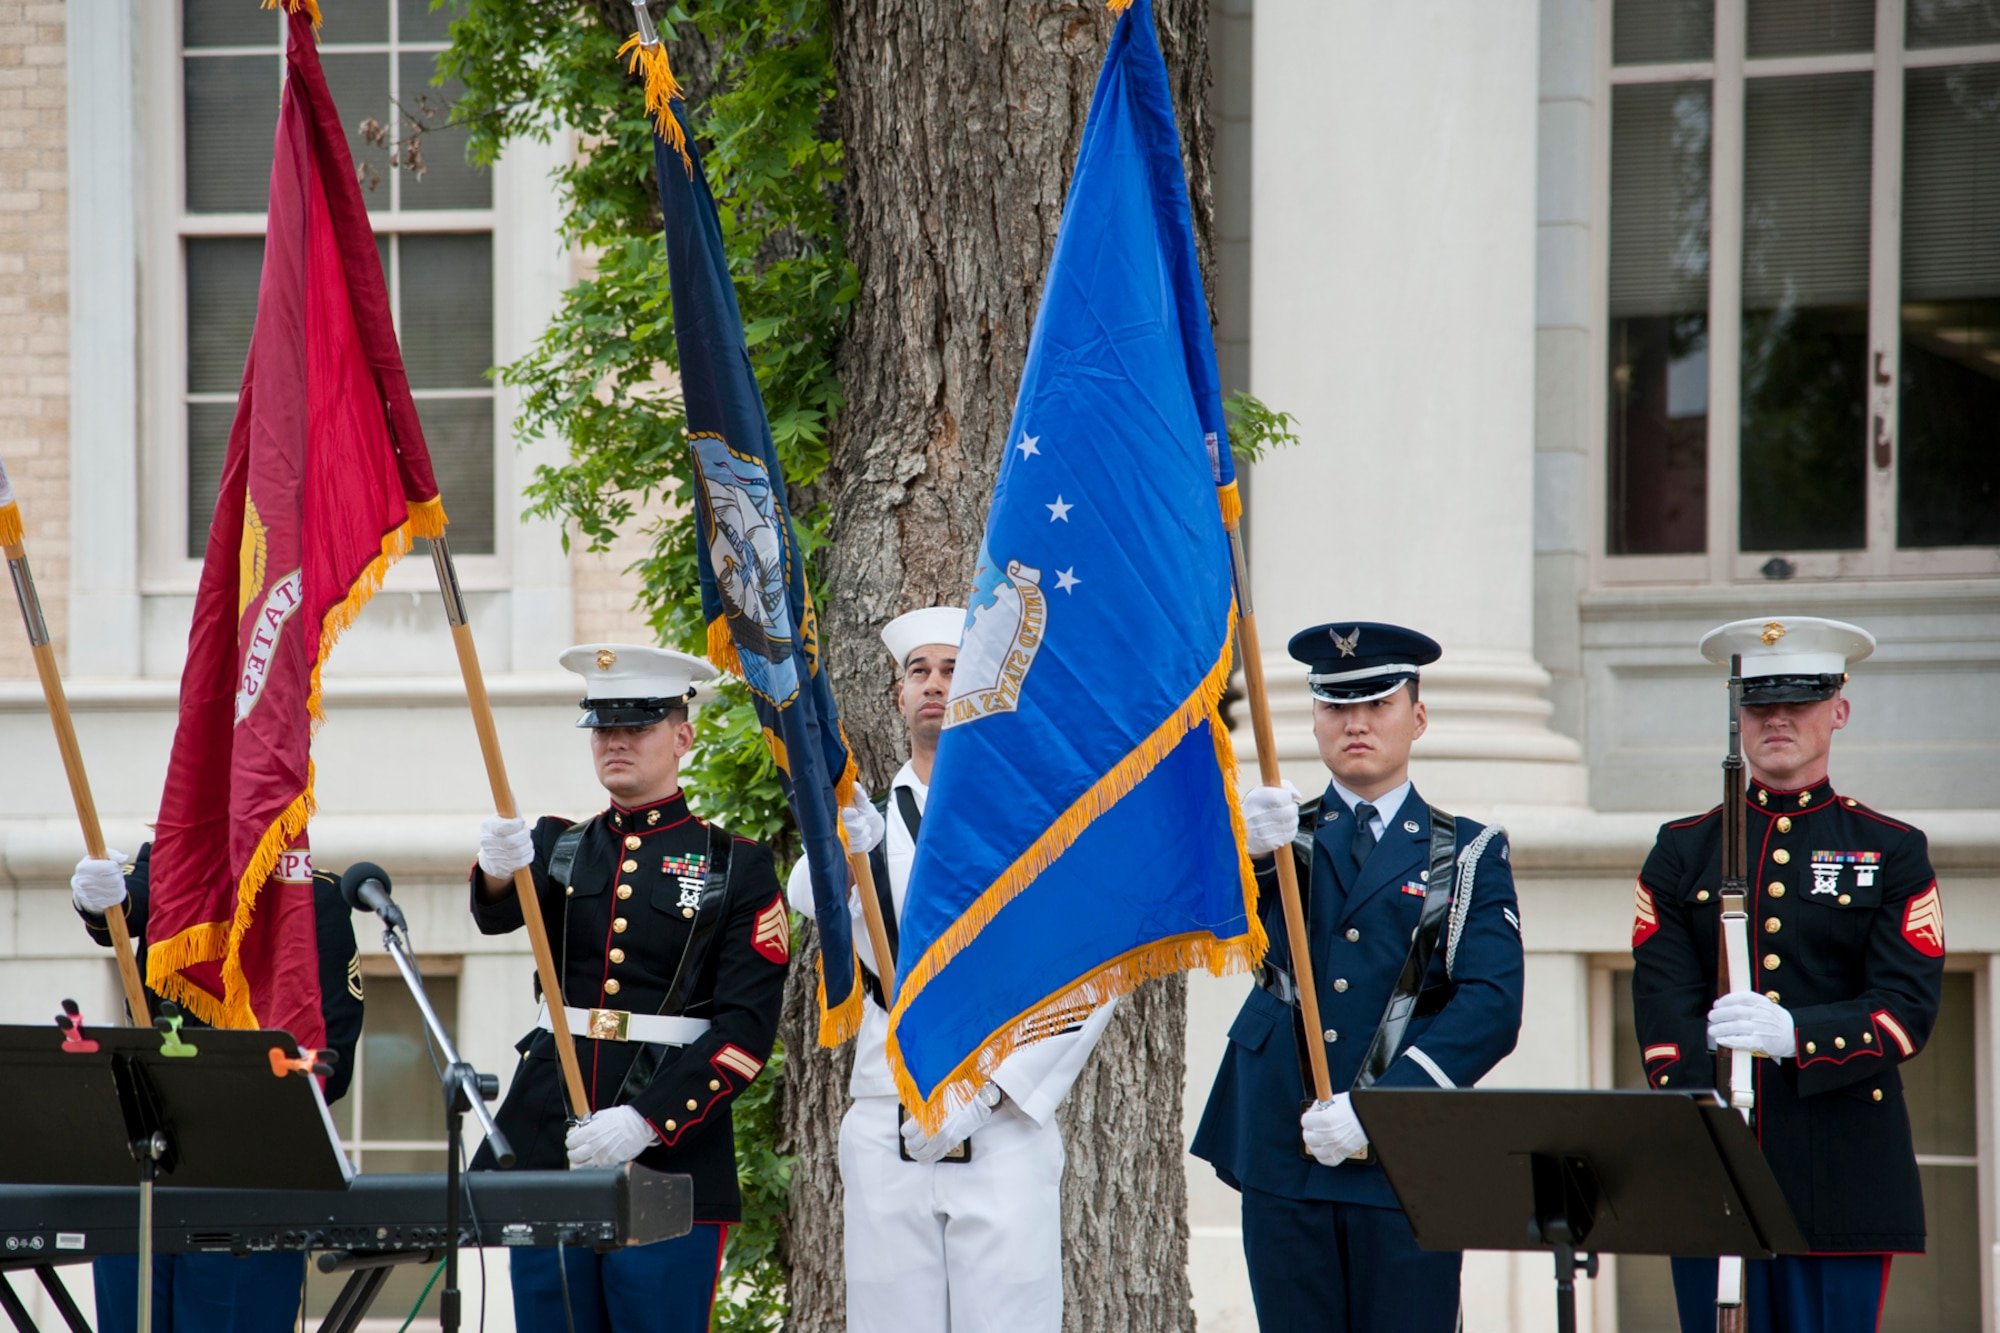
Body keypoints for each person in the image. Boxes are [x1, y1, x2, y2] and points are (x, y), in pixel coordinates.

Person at [787, 605, 1115, 1333]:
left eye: (952, 669)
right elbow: (807, 901)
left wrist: (995, 1087)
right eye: (919, 671)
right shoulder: (863, 821)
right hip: (888, 1116)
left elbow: (1089, 977)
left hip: (1000, 1125)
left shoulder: (1042, 825)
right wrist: (844, 847)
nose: (934, 684)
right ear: (899, 695)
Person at [1190, 622, 1524, 1331]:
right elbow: (1209, 934)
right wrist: (1238, 854)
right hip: (1282, 1140)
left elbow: (1492, 1005)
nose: (1357, 723)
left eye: (1378, 704)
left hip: (1406, 1155)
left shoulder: (1466, 851)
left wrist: (1380, 1107)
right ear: (1314, 720)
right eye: (1337, 706)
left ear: (1418, 716)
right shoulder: (1278, 838)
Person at [1632, 617, 1942, 1331]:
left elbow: (1905, 1008)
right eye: (1758, 701)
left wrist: (1796, 1033)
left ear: (1838, 708)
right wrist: (1702, 1123)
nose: (1777, 717)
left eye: (1799, 699)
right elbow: (1663, 1004)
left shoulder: (1890, 850)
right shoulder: (1683, 851)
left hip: (1841, 1177)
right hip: (1715, 1173)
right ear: (1737, 713)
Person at [469, 644, 788, 1333]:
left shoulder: (736, 865)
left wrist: (647, 1119)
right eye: (603, 725)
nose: (615, 740)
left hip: (670, 1159)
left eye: (637, 725)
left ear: (682, 736)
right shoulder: (557, 847)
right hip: (555, 1143)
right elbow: (497, 913)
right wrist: (498, 867)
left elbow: (744, 1032)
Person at [70, 842, 364, 1333]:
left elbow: (331, 1061)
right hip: (145, 1178)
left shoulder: (316, 898)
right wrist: (96, 897)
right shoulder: (167, 866)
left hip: (251, 1186)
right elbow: (122, 910)